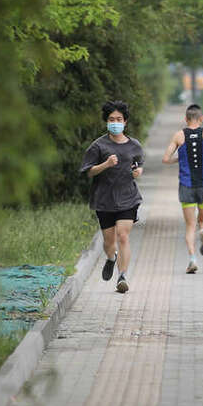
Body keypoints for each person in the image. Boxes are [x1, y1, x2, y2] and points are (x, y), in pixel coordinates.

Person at [79, 100, 144, 293]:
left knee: (123, 236)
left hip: (128, 198)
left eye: (119, 119)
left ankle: (122, 276)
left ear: (125, 122)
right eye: (111, 119)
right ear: (106, 122)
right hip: (104, 199)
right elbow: (89, 172)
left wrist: (137, 172)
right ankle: (111, 258)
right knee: (109, 242)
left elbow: (137, 166)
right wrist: (105, 164)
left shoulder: (134, 146)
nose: (115, 122)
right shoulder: (97, 146)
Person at [162, 104, 203, 274]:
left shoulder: (179, 135)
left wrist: (179, 160)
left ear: (186, 119)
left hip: (186, 186)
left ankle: (192, 259)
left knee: (189, 225)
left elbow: (166, 159)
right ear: (201, 119)